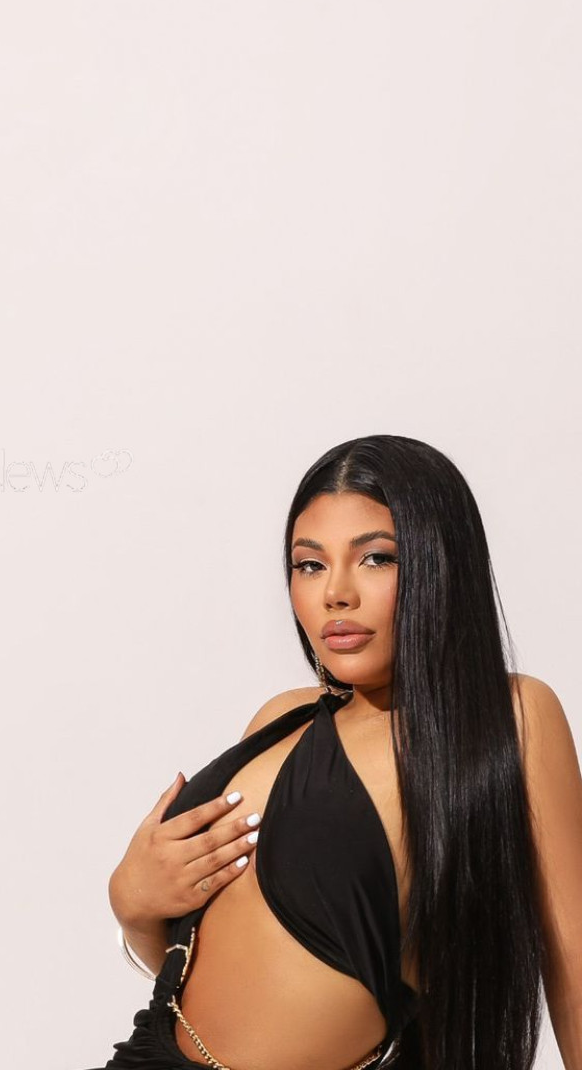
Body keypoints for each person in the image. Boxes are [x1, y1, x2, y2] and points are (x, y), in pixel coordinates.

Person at [87, 435, 582, 1070]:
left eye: (376, 558)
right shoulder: (280, 719)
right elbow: (217, 976)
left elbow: (573, 968)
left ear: (441, 565)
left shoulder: (509, 718)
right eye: (310, 565)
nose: (335, 594)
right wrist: (134, 909)